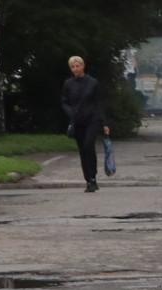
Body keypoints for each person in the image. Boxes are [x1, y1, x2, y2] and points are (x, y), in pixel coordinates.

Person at [60, 56, 107, 192]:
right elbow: (64, 101)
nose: (76, 69)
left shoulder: (93, 82)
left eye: (78, 66)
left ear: (83, 66)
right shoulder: (68, 84)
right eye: (73, 67)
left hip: (92, 119)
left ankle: (93, 177)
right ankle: (88, 180)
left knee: (88, 145)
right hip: (77, 121)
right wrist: (70, 113)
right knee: (82, 150)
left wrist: (104, 123)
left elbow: (98, 103)